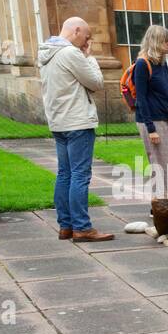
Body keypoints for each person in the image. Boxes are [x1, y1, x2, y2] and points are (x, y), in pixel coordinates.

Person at [37, 16, 113, 242]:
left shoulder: (45, 53)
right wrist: (88, 57)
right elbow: (96, 83)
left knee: (64, 174)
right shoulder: (71, 53)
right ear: (76, 30)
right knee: (80, 175)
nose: (87, 42)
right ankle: (82, 227)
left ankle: (66, 226)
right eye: (86, 37)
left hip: (58, 122)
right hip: (78, 122)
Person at [132, 24, 168, 209]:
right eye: (167, 41)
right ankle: (161, 207)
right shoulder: (142, 64)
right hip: (153, 121)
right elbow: (141, 98)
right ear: (156, 42)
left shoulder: (162, 64)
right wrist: (151, 129)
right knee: (161, 165)